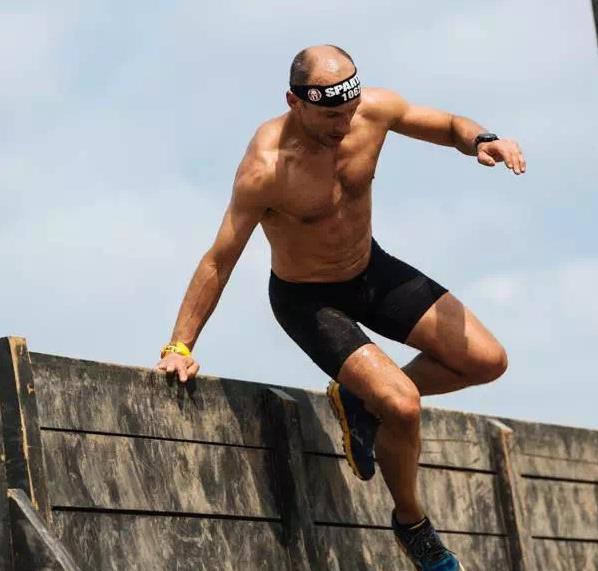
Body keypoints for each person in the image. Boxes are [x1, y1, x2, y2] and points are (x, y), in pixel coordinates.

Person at [155, 44, 525, 571]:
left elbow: (447, 125)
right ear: (294, 102)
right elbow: (219, 259)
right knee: (402, 405)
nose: (344, 124)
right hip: (307, 298)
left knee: (487, 360)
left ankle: (361, 401)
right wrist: (179, 345)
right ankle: (412, 524)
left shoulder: (371, 111)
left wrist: (483, 140)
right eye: (330, 116)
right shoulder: (266, 167)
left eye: (349, 110)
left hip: (370, 270)